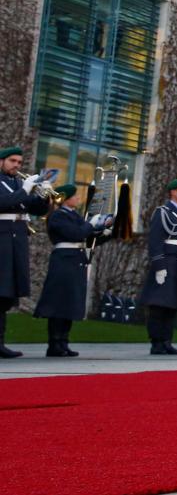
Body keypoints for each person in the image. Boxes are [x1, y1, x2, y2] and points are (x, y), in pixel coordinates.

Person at [32, 183, 113, 356]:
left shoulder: (74, 216)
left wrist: (104, 232)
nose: (77, 198)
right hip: (64, 260)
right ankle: (54, 343)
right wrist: (91, 225)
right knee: (58, 303)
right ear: (65, 198)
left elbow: (86, 237)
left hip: (76, 259)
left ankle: (63, 341)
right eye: (74, 196)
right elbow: (75, 234)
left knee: (69, 302)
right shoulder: (57, 216)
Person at [0, 145, 53, 358]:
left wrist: (43, 194)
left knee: (5, 296)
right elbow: (4, 202)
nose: (17, 165)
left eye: (19, 162)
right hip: (2, 239)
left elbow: (37, 210)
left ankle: (0, 343)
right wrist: (25, 190)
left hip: (17, 241)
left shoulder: (19, 182)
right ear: (2, 161)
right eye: (12, 161)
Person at [140, 178, 177, 355]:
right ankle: (157, 342)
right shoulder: (163, 212)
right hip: (167, 262)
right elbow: (156, 240)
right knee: (159, 305)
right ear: (173, 192)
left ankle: (166, 340)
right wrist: (159, 264)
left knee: (171, 305)